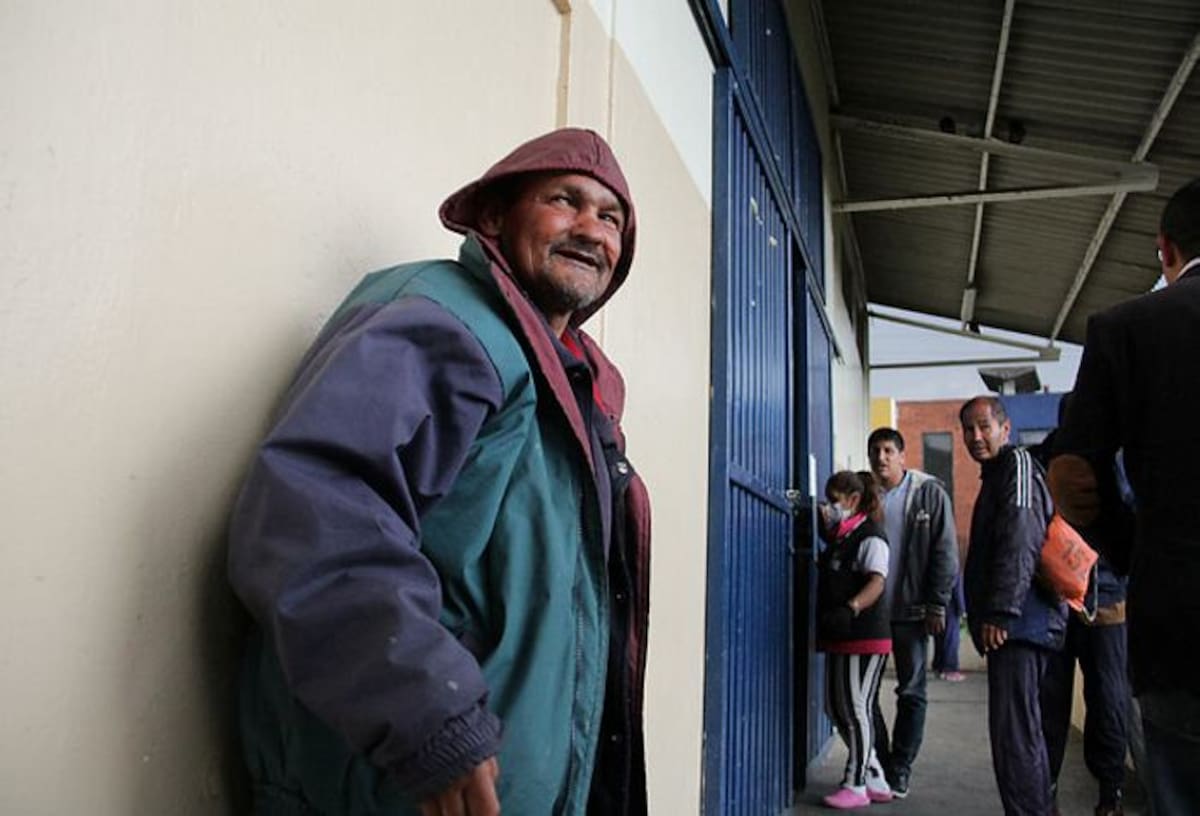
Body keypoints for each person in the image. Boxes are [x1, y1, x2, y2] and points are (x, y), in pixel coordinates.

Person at [226, 128, 652, 816]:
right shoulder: (448, 322)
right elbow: (316, 511)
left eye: (611, 218)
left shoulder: (575, 382)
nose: (590, 229)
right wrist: (430, 712)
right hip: (392, 784)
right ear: (495, 218)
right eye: (564, 201)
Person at [1049, 178, 1200, 815]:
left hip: (1181, 627)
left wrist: (1140, 552)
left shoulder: (1126, 329)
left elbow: (1074, 476)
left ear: (1164, 249)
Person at [960, 396, 1067, 816]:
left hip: (1022, 625)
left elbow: (1021, 539)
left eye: (984, 426)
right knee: (1024, 734)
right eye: (968, 429)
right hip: (1020, 624)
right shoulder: (998, 474)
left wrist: (1002, 612)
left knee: (1015, 738)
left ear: (1006, 428)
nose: (976, 436)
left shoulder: (1017, 466)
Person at [1032, 397, 1130, 816]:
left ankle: (1047, 790)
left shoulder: (1041, 458)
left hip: (1051, 592)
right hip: (1106, 599)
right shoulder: (1116, 459)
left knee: (1050, 699)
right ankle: (1109, 796)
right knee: (1108, 694)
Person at [865, 427, 959, 798]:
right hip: (870, 614)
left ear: (903, 456)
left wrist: (938, 604)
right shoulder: (865, 495)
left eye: (889, 450)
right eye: (875, 451)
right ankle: (880, 761)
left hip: (912, 611)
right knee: (863, 695)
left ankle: (900, 767)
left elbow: (945, 551)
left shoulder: (928, 493)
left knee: (911, 692)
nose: (881, 457)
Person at [816, 470, 894, 810]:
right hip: (840, 634)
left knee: (856, 707)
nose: (831, 507)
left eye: (835, 500)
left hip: (864, 634)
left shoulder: (871, 536)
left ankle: (857, 783)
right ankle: (873, 771)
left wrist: (852, 607)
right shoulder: (842, 538)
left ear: (853, 500)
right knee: (835, 706)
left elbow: (877, 581)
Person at [931, 575, 966, 682]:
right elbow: (957, 588)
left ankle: (939, 667)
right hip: (951, 607)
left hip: (937, 606)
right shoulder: (953, 565)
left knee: (940, 638)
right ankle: (949, 669)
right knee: (951, 640)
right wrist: (962, 609)